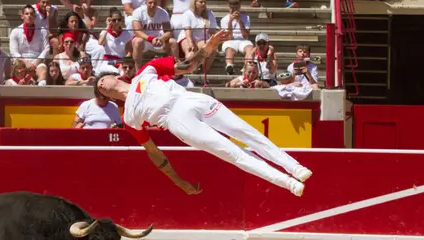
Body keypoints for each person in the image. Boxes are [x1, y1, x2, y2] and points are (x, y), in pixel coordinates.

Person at [93, 29, 312, 197]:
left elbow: (188, 65)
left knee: (245, 131)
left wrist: (209, 45)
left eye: (102, 79)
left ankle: (294, 167)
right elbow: (153, 151)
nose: (101, 84)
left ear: (117, 76)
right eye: (99, 87)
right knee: (232, 153)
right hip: (176, 121)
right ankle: (288, 183)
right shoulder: (128, 118)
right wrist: (177, 180)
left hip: (188, 98)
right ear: (109, 97)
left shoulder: (146, 70)